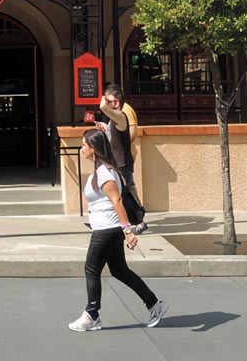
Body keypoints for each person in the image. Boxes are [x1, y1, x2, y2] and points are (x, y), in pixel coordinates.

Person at [69, 128, 168, 332]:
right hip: (107, 228)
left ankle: (92, 315)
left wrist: (128, 231)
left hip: (108, 229)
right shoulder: (101, 170)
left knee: (91, 269)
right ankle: (154, 304)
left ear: (94, 148)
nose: (82, 149)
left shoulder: (105, 173)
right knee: (120, 271)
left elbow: (117, 201)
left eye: (84, 145)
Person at [99, 83, 147, 234]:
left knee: (127, 193)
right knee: (121, 193)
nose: (115, 104)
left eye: (117, 100)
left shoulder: (121, 115)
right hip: (116, 161)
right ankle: (125, 221)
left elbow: (102, 107)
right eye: (111, 101)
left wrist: (104, 101)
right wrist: (106, 128)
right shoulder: (114, 118)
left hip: (122, 161)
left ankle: (139, 220)